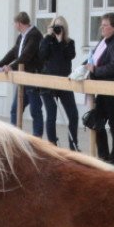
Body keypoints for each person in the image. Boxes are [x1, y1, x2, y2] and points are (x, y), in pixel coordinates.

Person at [85, 12, 114, 166]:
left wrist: (95, 70)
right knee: (95, 121)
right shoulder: (103, 42)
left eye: (105, 25)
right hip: (103, 89)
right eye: (102, 25)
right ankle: (104, 157)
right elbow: (92, 60)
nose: (102, 28)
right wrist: (82, 68)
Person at [0, 11, 44, 137]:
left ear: (19, 23)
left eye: (15, 24)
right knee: (15, 110)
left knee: (35, 110)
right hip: (21, 79)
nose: (14, 26)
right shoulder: (21, 36)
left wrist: (11, 67)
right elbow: (13, 53)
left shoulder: (34, 35)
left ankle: (38, 137)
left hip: (31, 77)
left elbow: (27, 55)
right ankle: (15, 136)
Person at [39, 15, 79, 150]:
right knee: (51, 115)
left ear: (64, 28)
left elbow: (70, 55)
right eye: (55, 26)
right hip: (48, 83)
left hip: (64, 83)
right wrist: (48, 37)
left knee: (73, 115)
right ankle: (52, 146)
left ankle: (73, 146)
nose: (57, 29)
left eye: (60, 26)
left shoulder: (69, 42)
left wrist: (60, 40)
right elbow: (42, 55)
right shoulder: (47, 41)